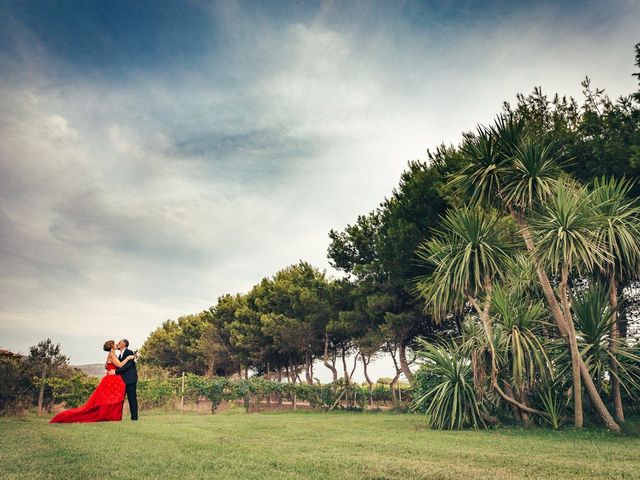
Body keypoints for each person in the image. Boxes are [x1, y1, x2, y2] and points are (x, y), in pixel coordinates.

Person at [49, 340, 135, 423]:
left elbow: (108, 365)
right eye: (115, 343)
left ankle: (111, 415)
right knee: (108, 399)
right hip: (111, 380)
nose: (116, 344)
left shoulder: (113, 355)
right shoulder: (112, 355)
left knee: (111, 399)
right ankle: (106, 415)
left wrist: (109, 366)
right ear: (112, 346)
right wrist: (128, 358)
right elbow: (119, 365)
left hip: (113, 379)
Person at [115, 339, 138, 421]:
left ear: (124, 344)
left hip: (130, 379)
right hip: (122, 381)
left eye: (120, 342)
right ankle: (117, 416)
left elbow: (127, 366)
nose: (118, 343)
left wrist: (115, 372)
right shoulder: (119, 355)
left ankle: (134, 418)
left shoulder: (129, 352)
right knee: (120, 399)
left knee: (132, 398)